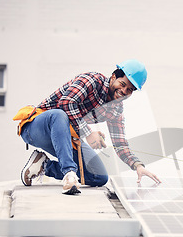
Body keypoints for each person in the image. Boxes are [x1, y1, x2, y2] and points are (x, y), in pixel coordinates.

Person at [18, 59, 160, 194]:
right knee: (59, 115)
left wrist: (138, 166)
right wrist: (88, 133)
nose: (124, 91)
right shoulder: (93, 80)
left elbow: (120, 143)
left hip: (65, 138)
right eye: (122, 84)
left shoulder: (116, 109)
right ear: (113, 77)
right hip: (36, 128)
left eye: (130, 90)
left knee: (99, 176)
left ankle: (43, 166)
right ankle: (69, 176)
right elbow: (66, 103)